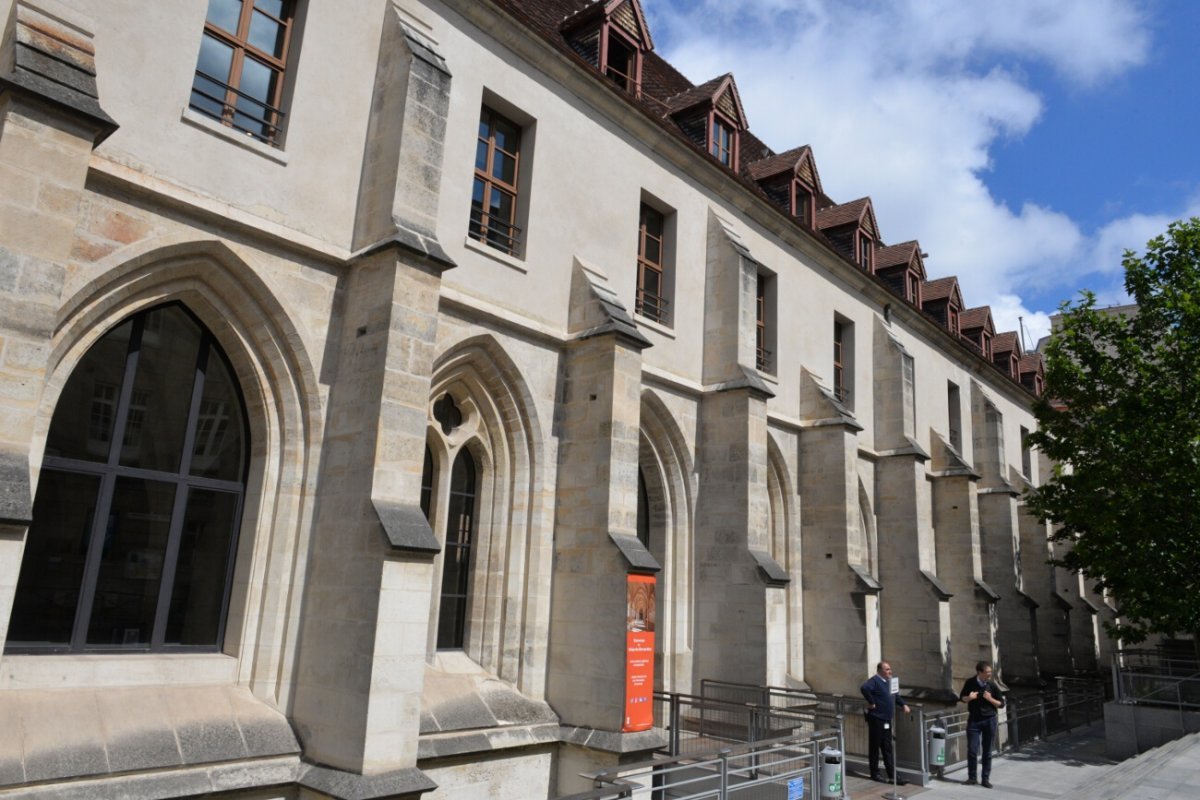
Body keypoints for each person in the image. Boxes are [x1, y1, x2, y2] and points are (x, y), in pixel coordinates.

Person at [860, 661, 911, 784]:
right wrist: (872, 702)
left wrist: (903, 704)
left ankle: (893, 776)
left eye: (890, 669)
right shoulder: (874, 681)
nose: (890, 671)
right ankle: (875, 773)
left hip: (887, 720)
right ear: (880, 670)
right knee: (875, 747)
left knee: (887, 748)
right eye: (887, 669)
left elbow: (895, 696)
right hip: (876, 718)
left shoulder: (889, 682)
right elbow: (864, 688)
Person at [960, 661, 1005, 788]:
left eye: (991, 672)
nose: (990, 675)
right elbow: (961, 697)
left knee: (987, 751)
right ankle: (972, 778)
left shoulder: (992, 685)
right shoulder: (970, 683)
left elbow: (1001, 704)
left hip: (989, 720)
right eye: (987, 673)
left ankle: (985, 779)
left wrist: (990, 699)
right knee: (972, 750)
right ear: (979, 672)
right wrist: (970, 698)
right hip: (974, 720)